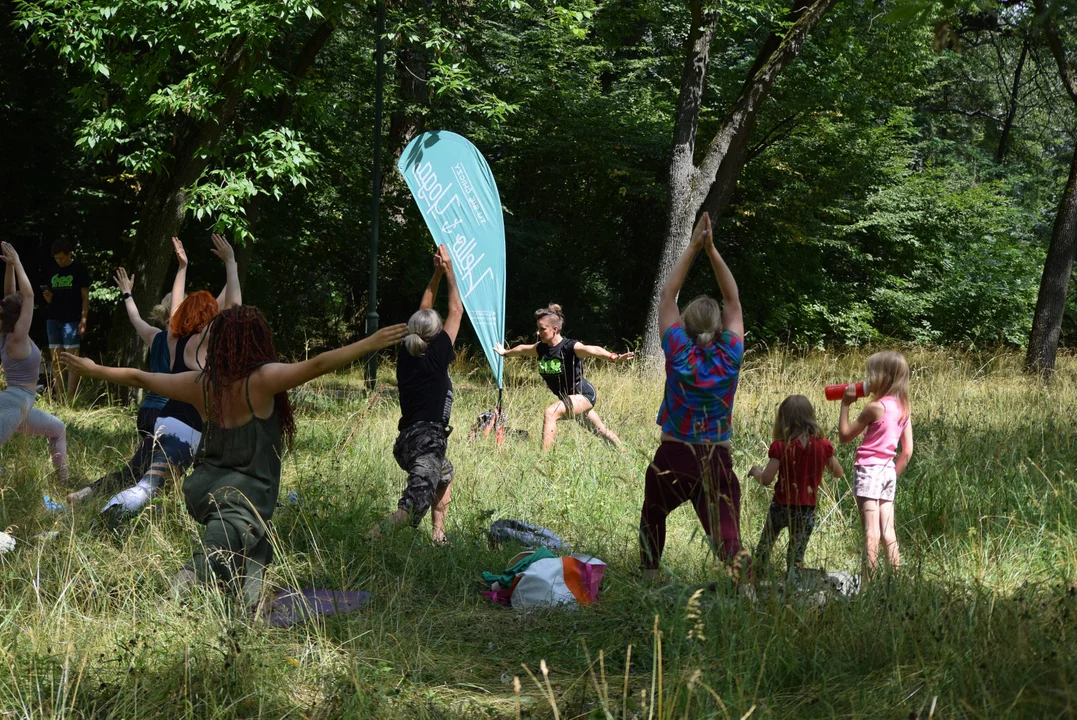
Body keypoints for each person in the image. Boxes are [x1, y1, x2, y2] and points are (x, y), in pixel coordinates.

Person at [63, 308, 408, 607]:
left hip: (205, 491)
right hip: (241, 498)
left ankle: (251, 602)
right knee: (211, 556)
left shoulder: (200, 383)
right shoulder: (260, 381)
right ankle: (166, 604)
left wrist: (95, 370)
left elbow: (140, 377)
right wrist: (369, 344)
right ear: (255, 342)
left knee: (259, 544)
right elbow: (317, 364)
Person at [69, 236, 235, 519]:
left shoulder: (170, 337)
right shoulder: (201, 343)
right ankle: (107, 517)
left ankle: (87, 497)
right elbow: (232, 305)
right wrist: (231, 264)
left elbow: (148, 318)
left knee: (136, 471)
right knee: (149, 485)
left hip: (159, 417)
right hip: (184, 426)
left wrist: (179, 269)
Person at [639, 212, 747, 581]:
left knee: (653, 513)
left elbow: (668, 293)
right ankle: (746, 590)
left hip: (674, 453)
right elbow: (732, 299)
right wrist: (712, 250)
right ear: (719, 327)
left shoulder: (677, 350)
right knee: (728, 538)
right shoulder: (730, 353)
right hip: (716, 455)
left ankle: (651, 582)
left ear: (685, 325)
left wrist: (693, 247)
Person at [370, 245, 462, 543]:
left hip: (408, 441)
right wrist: (450, 273)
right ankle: (368, 540)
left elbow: (424, 312)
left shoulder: (408, 352)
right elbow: (456, 311)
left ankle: (438, 534)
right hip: (426, 443)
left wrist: (435, 274)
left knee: (445, 476)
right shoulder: (437, 358)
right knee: (412, 505)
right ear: (437, 337)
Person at [494, 305, 632, 451]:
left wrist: (613, 357)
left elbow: (593, 350)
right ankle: (624, 451)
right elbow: (522, 349)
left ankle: (543, 459)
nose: (538, 332)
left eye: (542, 329)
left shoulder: (569, 347)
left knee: (551, 413)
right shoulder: (542, 348)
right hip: (567, 398)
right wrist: (505, 353)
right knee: (600, 431)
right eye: (538, 328)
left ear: (554, 329)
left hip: (583, 395)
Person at [748, 395, 844, 578]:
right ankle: (793, 583)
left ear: (783, 420)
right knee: (795, 558)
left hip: (781, 507)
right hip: (806, 511)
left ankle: (755, 578)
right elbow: (838, 473)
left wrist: (756, 471)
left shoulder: (780, 446)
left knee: (765, 547)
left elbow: (766, 479)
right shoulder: (824, 446)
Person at [838, 351, 913, 578]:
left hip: (868, 470)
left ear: (884, 377)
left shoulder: (875, 407)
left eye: (871, 375)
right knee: (888, 532)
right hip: (888, 470)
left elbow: (844, 436)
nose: (867, 380)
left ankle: (867, 587)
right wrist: (892, 475)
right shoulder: (903, 409)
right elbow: (907, 450)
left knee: (871, 533)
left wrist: (845, 404)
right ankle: (894, 582)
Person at [0, 242, 69, 481]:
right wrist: (17, 262)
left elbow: (11, 297)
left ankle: (63, 481)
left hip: (19, 402)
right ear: (22, 315)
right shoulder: (17, 337)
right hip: (16, 402)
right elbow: (27, 295)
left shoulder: (8, 332)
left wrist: (9, 266)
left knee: (58, 428)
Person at [42, 238, 90, 401]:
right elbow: (51, 295)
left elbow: (85, 297)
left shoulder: (79, 269)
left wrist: (83, 320)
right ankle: (60, 398)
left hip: (72, 319)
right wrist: (48, 298)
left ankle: (71, 399)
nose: (59, 261)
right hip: (53, 318)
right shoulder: (52, 269)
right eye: (56, 258)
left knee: (71, 360)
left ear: (69, 254)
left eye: (62, 257)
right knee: (56, 361)